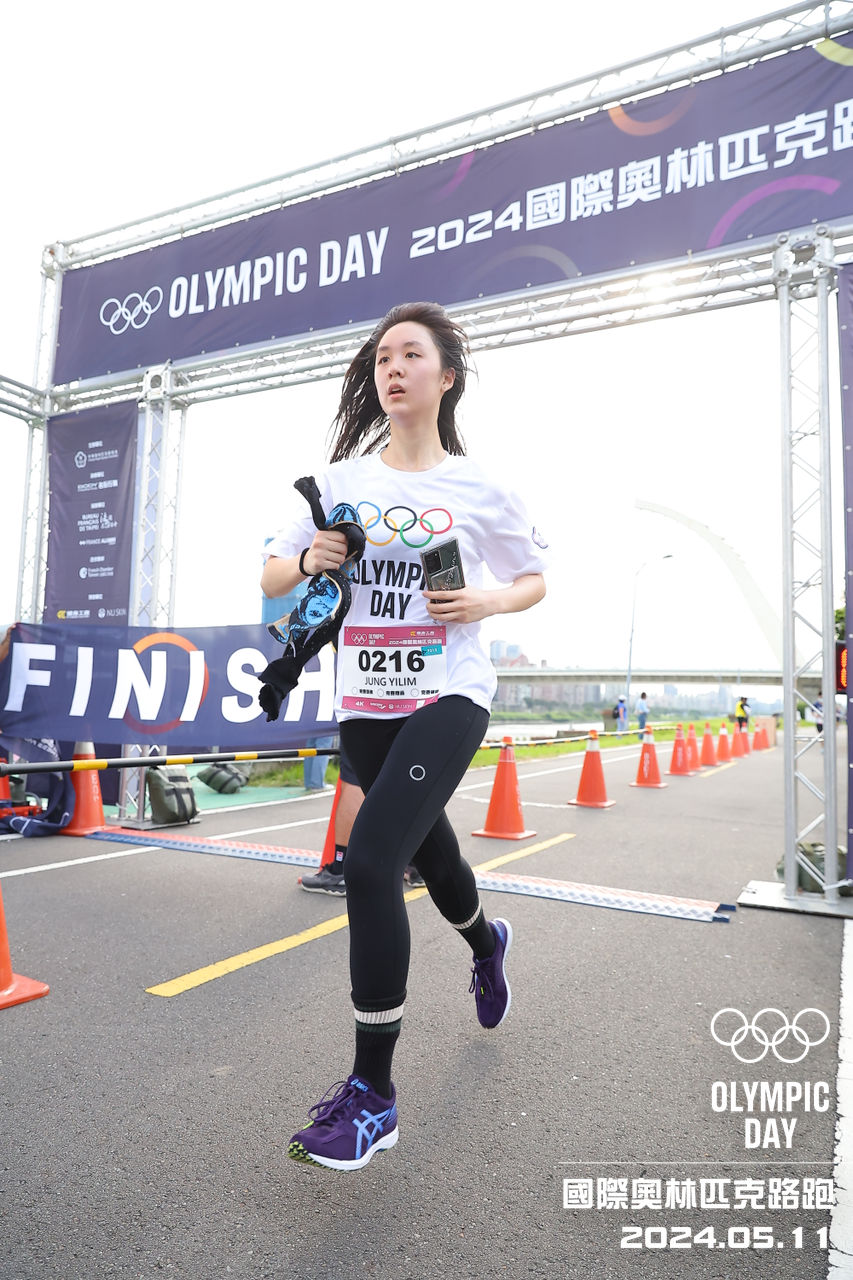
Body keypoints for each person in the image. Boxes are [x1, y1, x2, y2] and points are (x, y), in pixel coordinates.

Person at [261, 300, 548, 1171]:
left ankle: (373, 1097)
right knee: (436, 857)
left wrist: (487, 599)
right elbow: (272, 575)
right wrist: (308, 561)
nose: (392, 367)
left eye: (410, 354)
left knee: (373, 858)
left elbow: (532, 578)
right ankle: (486, 944)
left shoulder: (479, 487)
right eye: (382, 356)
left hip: (449, 693)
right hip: (365, 703)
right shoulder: (339, 481)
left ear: (445, 376)